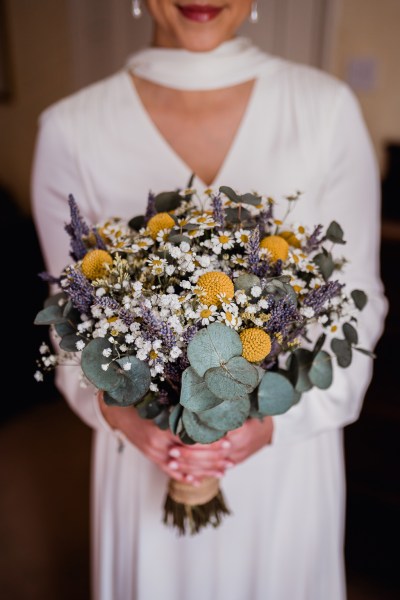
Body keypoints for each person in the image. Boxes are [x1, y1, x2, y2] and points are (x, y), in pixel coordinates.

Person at [31, 1, 388, 599]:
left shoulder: (324, 109)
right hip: (143, 455)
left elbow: (362, 300)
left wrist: (275, 424)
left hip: (286, 464)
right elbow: (67, 317)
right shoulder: (70, 126)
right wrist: (123, 415)